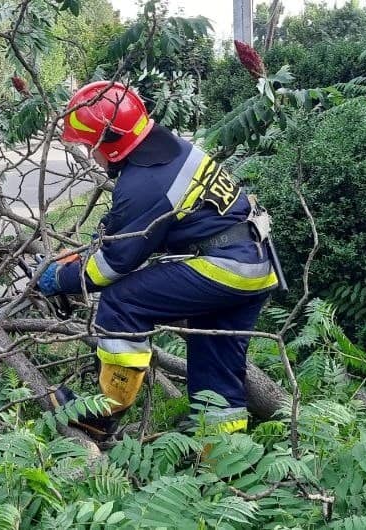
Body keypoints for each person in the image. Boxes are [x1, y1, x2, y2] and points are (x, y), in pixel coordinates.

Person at [38, 81, 279, 440]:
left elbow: (113, 264)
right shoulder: (170, 149)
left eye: (92, 147)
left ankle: (103, 414)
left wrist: (61, 279)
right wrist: (82, 255)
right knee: (216, 366)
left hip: (226, 266)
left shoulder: (145, 183)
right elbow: (125, 232)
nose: (91, 155)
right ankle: (226, 461)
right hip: (254, 264)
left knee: (124, 302)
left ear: (112, 145)